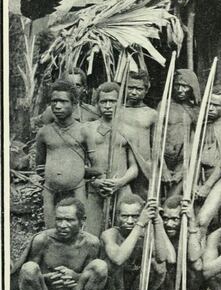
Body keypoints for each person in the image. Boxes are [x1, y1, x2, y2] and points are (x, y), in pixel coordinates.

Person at [14, 198, 107, 290]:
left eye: (69, 220)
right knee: (28, 267)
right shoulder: (42, 240)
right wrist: (47, 279)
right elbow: (28, 276)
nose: (63, 225)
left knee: (100, 265)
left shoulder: (91, 243)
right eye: (59, 219)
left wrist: (75, 276)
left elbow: (91, 277)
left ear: (82, 220)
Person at [35, 80, 99, 229]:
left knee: (78, 231)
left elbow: (97, 167)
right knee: (51, 232)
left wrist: (75, 174)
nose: (57, 106)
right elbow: (39, 166)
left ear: (74, 104)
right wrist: (52, 178)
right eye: (54, 101)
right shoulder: (44, 132)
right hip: (50, 192)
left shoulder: (83, 131)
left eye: (63, 101)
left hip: (77, 190)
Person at [99, 195, 167, 290]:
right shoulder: (110, 234)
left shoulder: (145, 235)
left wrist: (157, 221)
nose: (130, 221)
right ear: (117, 216)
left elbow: (162, 258)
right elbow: (118, 259)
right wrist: (140, 223)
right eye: (124, 216)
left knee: (157, 265)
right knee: (110, 263)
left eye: (135, 216)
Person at [85, 82, 138, 237]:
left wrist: (120, 182)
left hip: (121, 188)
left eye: (112, 101)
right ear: (97, 104)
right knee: (92, 235)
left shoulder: (129, 130)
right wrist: (95, 181)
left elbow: (134, 167)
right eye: (103, 101)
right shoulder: (87, 129)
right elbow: (81, 165)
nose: (108, 106)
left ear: (119, 103)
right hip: (96, 189)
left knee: (121, 234)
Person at [195, 86, 221, 238]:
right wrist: (196, 182)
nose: (210, 108)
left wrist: (207, 185)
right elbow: (195, 156)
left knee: (203, 220)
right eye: (208, 104)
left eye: (216, 105)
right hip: (203, 175)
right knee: (195, 219)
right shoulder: (203, 124)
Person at [156, 197, 205, 290]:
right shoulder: (158, 230)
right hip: (165, 285)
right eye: (166, 219)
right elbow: (169, 259)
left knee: (198, 265)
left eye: (175, 219)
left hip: (183, 286)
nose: (169, 224)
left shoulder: (192, 231)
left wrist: (192, 222)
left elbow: (194, 258)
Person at [162, 69, 200, 196]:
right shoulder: (164, 105)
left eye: (185, 86)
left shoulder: (195, 111)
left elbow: (193, 142)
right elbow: (156, 139)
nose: (180, 90)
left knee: (172, 199)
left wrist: (182, 169)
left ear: (192, 88)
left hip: (182, 161)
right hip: (162, 160)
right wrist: (163, 168)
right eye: (177, 85)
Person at [119, 71, 158, 197]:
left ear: (146, 90)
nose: (134, 92)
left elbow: (156, 144)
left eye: (139, 89)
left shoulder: (151, 114)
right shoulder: (117, 111)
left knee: (143, 198)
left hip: (144, 166)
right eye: (130, 88)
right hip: (121, 164)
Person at [33, 68, 98, 127]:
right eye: (68, 85)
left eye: (77, 86)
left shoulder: (92, 112)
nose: (73, 89)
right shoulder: (53, 111)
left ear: (84, 88)